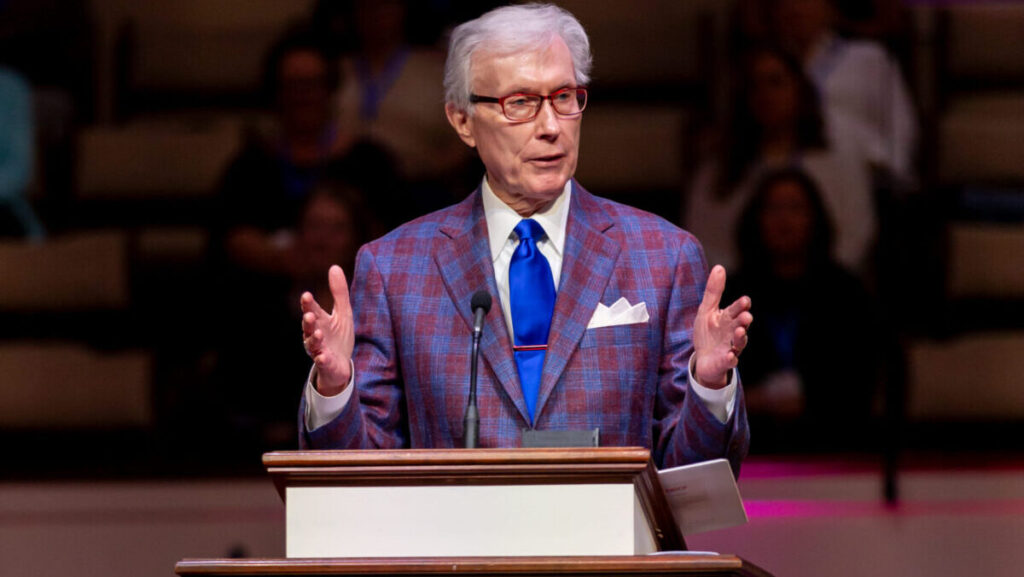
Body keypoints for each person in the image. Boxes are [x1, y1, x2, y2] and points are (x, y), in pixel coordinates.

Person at [298, 4, 752, 472]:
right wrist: (335, 390)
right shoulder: (395, 269)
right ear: (462, 120)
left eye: (565, 97)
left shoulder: (664, 257)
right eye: (520, 103)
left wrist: (709, 385)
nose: (551, 126)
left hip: (610, 543)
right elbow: (360, 474)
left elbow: (695, 475)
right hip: (460, 543)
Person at [726, 168, 880, 451]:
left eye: (796, 208)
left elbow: (862, 378)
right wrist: (757, 398)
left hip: (836, 445)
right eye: (774, 208)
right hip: (751, 449)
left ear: (815, 219)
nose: (784, 220)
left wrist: (812, 398)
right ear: (756, 219)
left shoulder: (846, 292)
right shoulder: (733, 293)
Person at [685, 45, 875, 274]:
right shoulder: (718, 170)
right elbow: (702, 242)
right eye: (754, 85)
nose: (765, 94)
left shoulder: (837, 161)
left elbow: (858, 233)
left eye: (775, 82)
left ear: (799, 90)